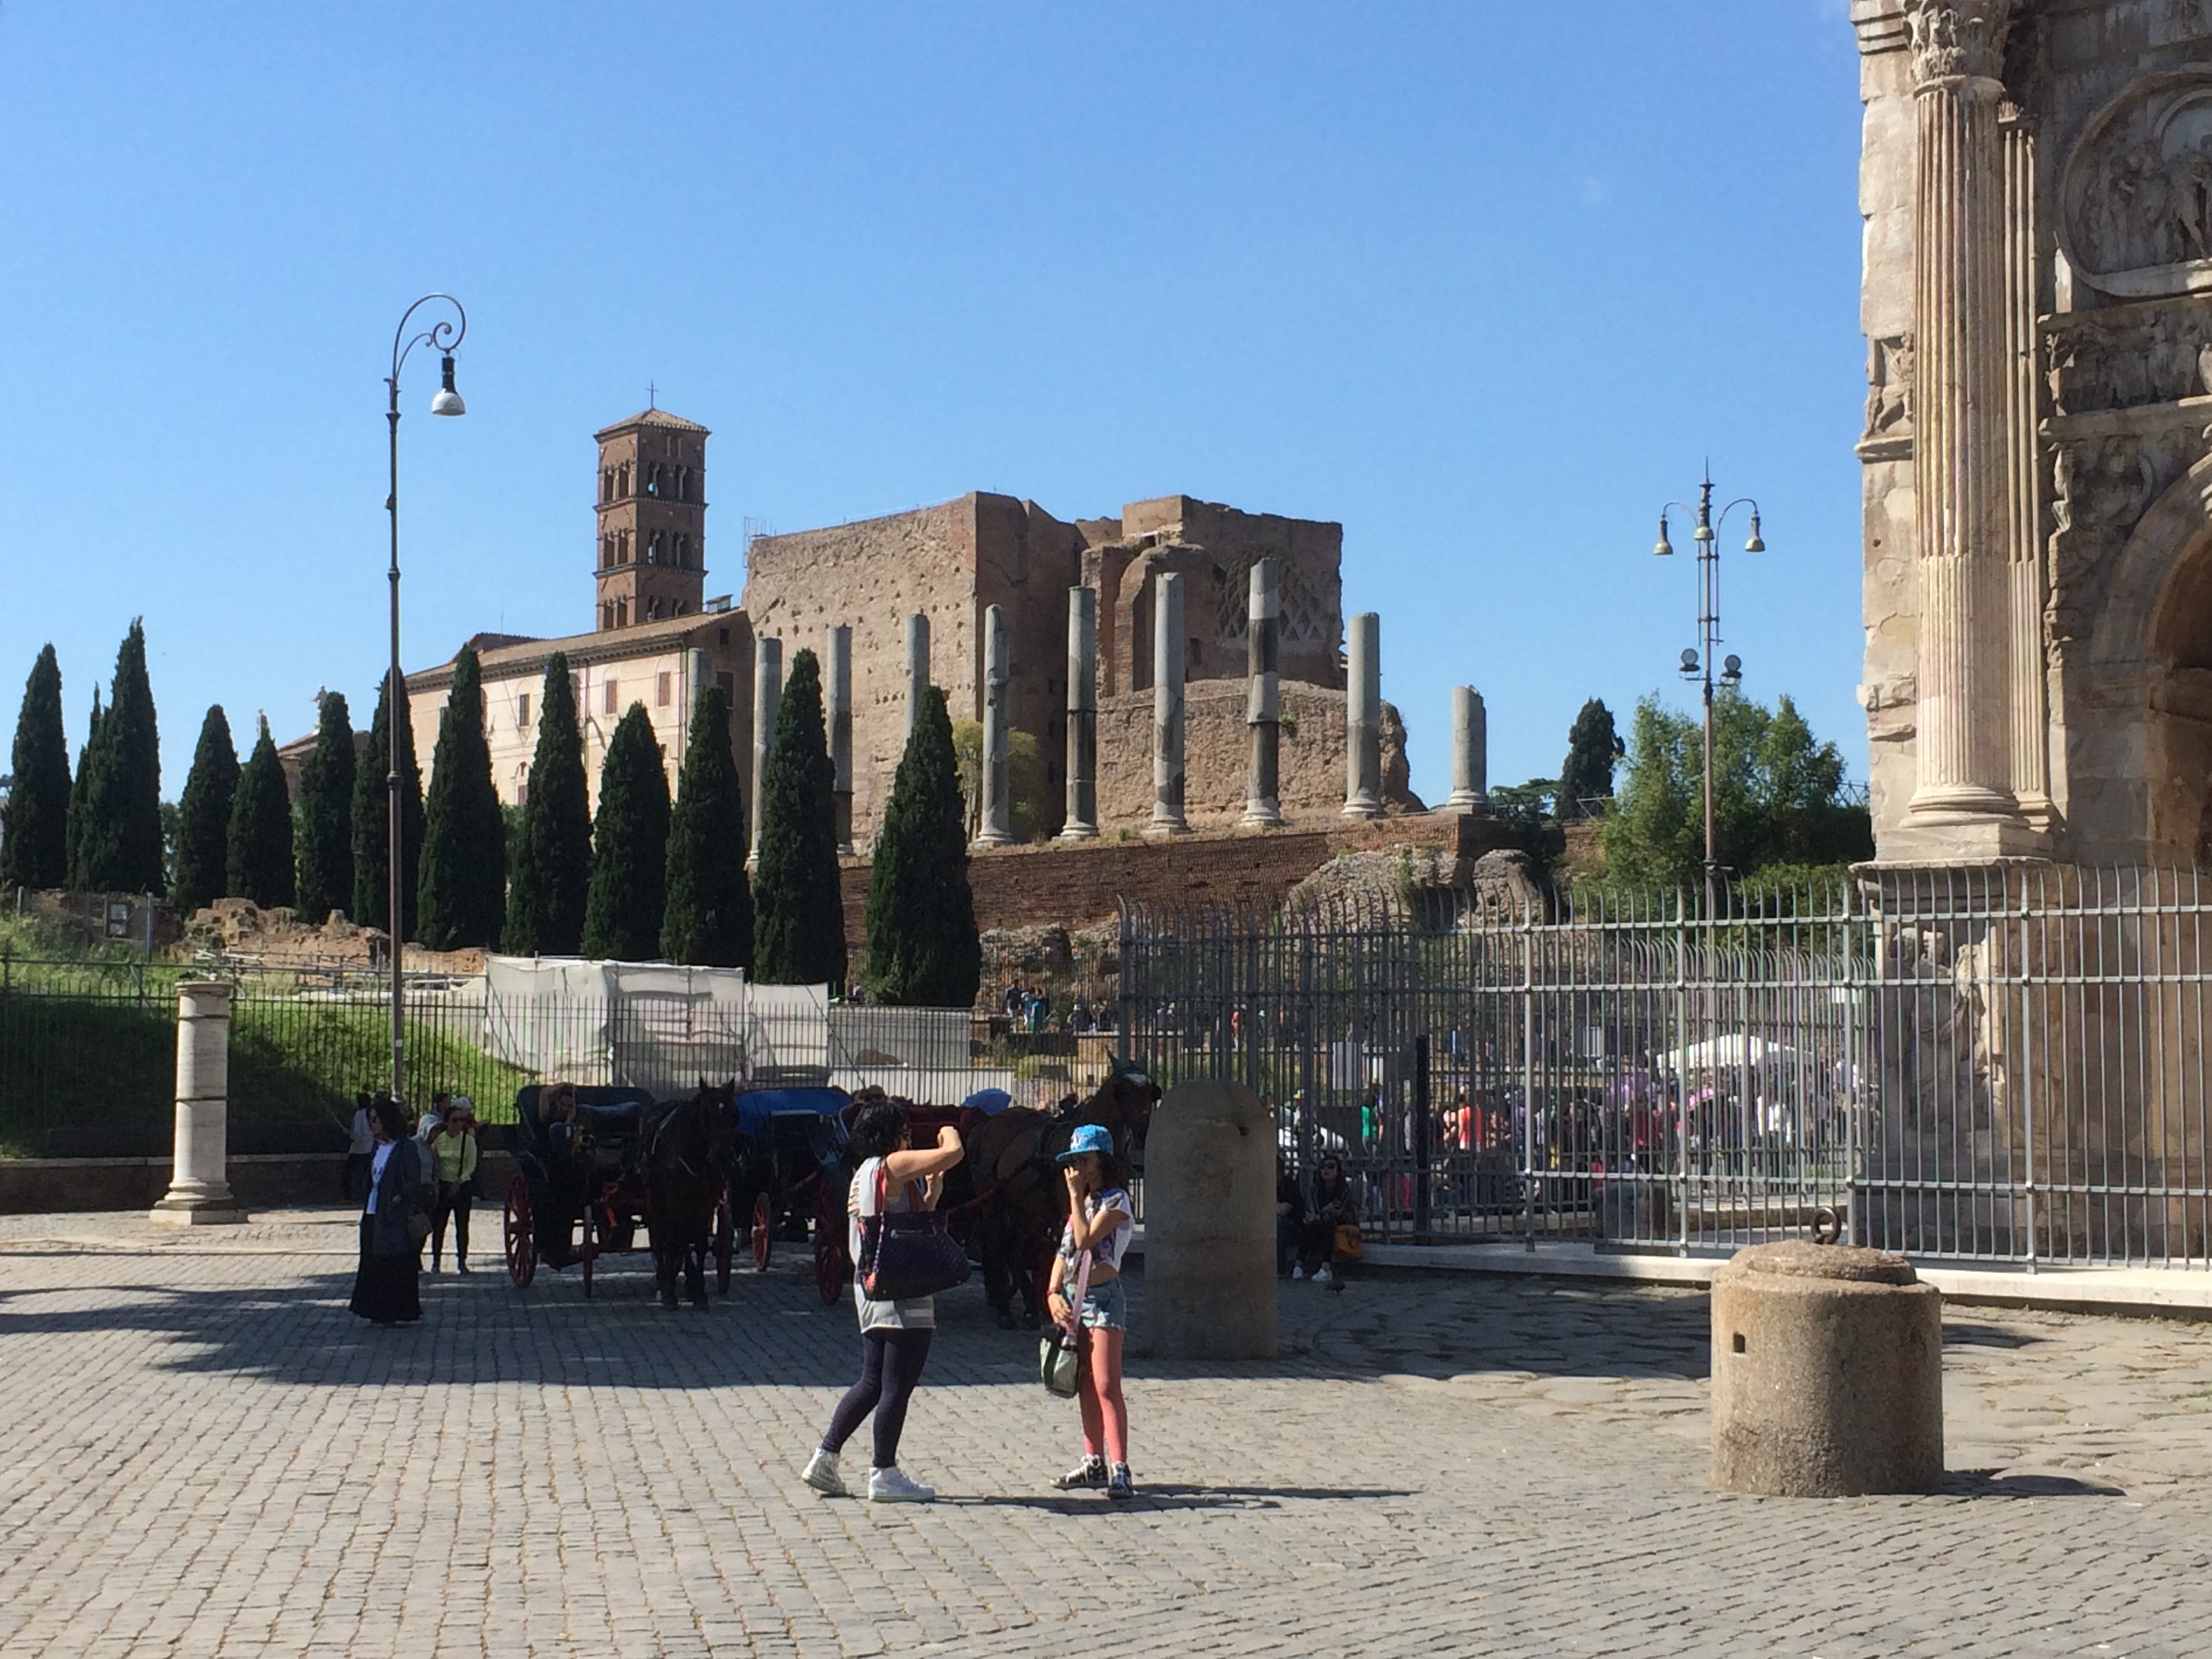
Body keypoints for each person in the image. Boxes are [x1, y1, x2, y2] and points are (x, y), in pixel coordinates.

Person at [802, 1099, 965, 1503]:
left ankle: (826, 1456)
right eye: (905, 1132)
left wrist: (932, 1194)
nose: (909, 1139)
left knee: (872, 1381)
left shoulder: (865, 1173)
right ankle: (884, 1471)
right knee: (897, 1385)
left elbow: (904, 1224)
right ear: (892, 1136)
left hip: (873, 1286)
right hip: (902, 1288)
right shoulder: (892, 1165)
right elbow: (953, 1153)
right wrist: (950, 1130)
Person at [1047, 1123, 1139, 1500]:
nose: (1076, 1168)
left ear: (1100, 1161)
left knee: (1105, 1384)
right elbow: (1065, 1249)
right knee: (1083, 1381)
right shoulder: (1083, 1204)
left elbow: (1086, 1239)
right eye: (1073, 1161)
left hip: (1103, 1299)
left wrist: (1073, 1196)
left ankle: (1121, 1467)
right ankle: (1093, 1460)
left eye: (1082, 1160)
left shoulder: (1116, 1201)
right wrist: (1052, 1291)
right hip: (1074, 1297)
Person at [349, 1097, 428, 1326]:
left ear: (387, 1121)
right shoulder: (376, 1147)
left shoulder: (406, 1147)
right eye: (370, 1120)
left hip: (394, 1214)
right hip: (373, 1211)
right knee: (372, 1260)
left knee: (394, 1262)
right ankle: (373, 1308)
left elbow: (413, 1179)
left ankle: (395, 1310)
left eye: (375, 1120)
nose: (372, 1125)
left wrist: (399, 1197)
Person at [430, 1097, 480, 1273]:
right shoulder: (440, 1140)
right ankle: (436, 1261)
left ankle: (462, 1261)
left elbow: (471, 1165)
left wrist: (460, 1181)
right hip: (443, 1186)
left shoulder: (468, 1141)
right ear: (447, 1122)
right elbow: (433, 1160)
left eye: (462, 1120)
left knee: (462, 1226)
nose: (459, 1124)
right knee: (439, 1226)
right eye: (455, 1120)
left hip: (462, 1186)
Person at [1298, 1154, 1357, 1284]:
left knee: (1326, 1224)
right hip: (1320, 1220)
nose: (1326, 1170)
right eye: (1323, 1167)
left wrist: (1320, 1214)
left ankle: (1326, 1268)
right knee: (1312, 1225)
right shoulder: (1316, 1189)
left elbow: (1338, 1211)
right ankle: (1299, 1264)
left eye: (1331, 1167)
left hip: (1342, 1223)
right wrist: (1320, 1213)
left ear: (1338, 1171)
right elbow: (1316, 1208)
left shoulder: (1344, 1190)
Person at [1275, 1156, 1306, 1279]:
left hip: (1293, 1228)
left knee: (1279, 1225)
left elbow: (1283, 1210)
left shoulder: (1288, 1185)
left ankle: (1280, 1268)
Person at [344, 1092, 375, 1204]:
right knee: (369, 1174)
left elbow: (357, 1133)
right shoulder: (371, 1113)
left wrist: (353, 1137)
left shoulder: (359, 1114)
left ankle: (348, 1197)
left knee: (348, 1173)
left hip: (358, 1150)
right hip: (370, 1147)